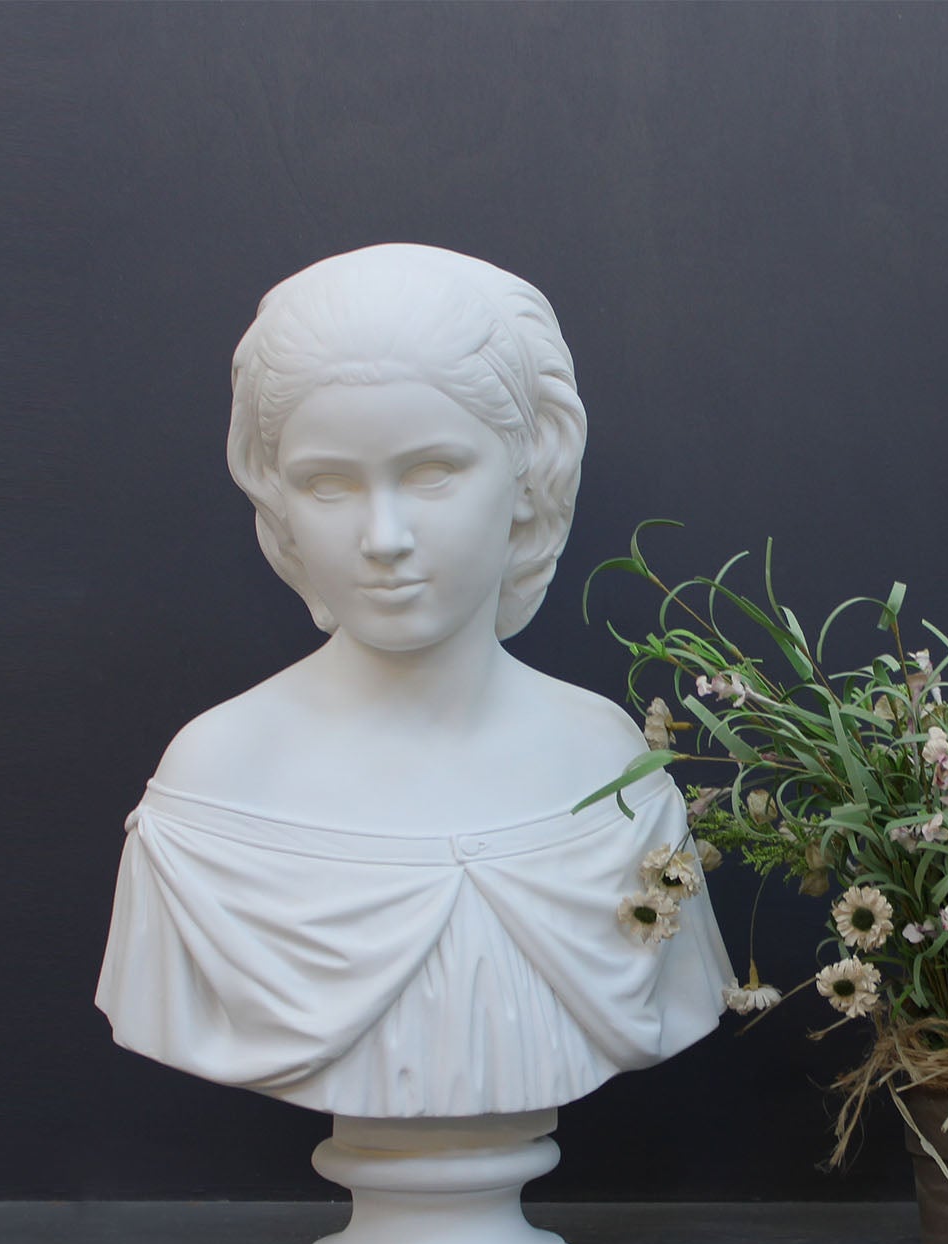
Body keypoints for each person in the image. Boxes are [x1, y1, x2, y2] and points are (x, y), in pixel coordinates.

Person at [96, 244, 732, 1118]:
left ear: (525, 474)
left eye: (430, 472)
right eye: (327, 484)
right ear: (275, 494)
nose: (383, 535)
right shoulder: (216, 780)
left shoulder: (607, 766)